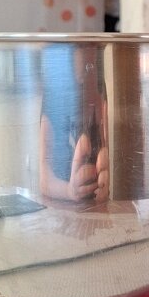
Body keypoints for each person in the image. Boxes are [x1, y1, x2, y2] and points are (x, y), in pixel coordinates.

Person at [38, 43, 109, 204]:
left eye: (90, 68)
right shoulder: (52, 107)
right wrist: (69, 191)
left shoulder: (99, 101)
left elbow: (107, 154)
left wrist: (104, 179)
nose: (83, 79)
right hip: (59, 206)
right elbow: (44, 180)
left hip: (96, 206)